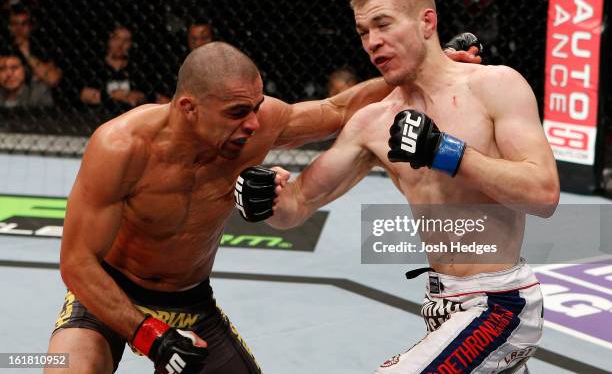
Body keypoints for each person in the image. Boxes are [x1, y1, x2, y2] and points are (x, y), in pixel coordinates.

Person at [46, 35, 480, 374]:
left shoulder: (256, 125)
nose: (254, 123)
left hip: (190, 300)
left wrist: (428, 68)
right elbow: (77, 263)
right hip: (110, 293)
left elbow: (337, 108)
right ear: (188, 108)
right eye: (238, 112)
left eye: (255, 106)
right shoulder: (121, 147)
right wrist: (152, 336)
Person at [237, 0, 559, 373]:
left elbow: (544, 195)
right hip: (441, 305)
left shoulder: (494, 86)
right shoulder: (373, 123)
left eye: (383, 24)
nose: (372, 42)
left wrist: (448, 152)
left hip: (499, 304)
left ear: (427, 22)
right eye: (363, 32)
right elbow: (298, 205)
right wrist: (265, 198)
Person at [79, 25, 146, 113]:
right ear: (109, 40)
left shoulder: (136, 68)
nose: (120, 44)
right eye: (116, 38)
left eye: (126, 40)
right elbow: (85, 94)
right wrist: (116, 96)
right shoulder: (94, 65)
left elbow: (143, 96)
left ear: (131, 44)